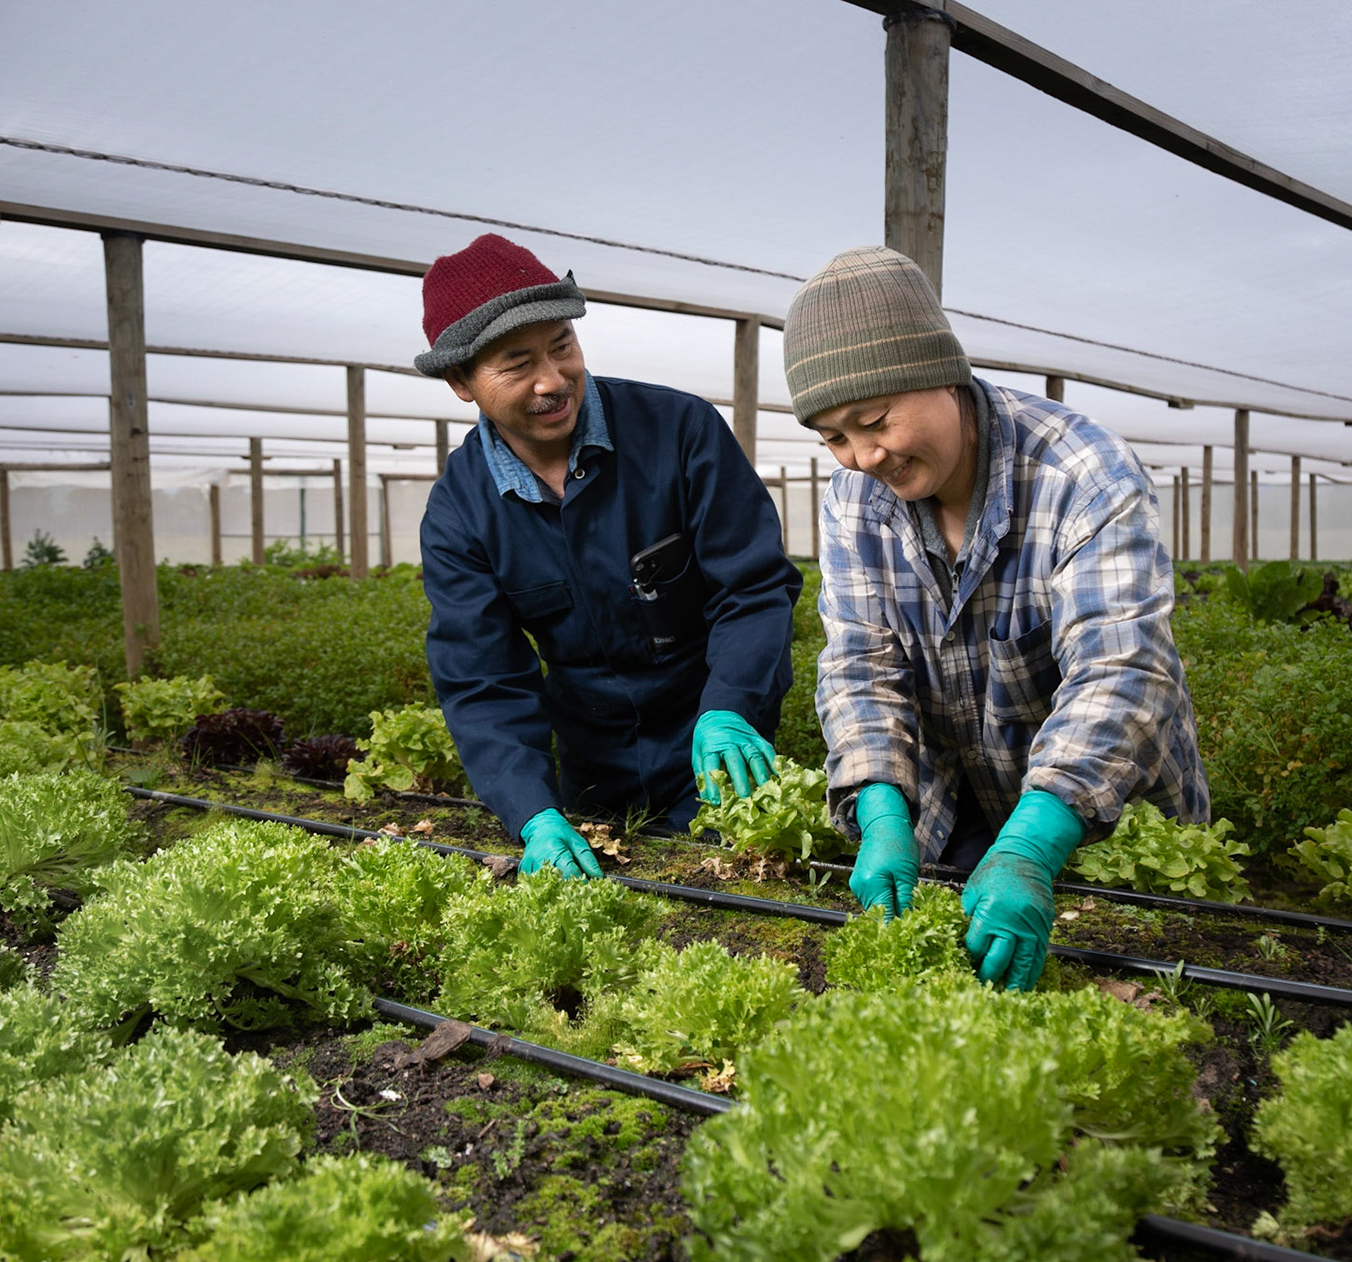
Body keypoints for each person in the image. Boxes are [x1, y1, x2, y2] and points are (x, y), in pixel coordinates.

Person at [784, 245, 1209, 991]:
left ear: (940, 373)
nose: (862, 455)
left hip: (1097, 823)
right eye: (833, 437)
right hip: (963, 811)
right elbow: (860, 661)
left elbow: (1122, 669)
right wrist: (880, 804)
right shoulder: (854, 497)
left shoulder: (1083, 473)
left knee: (1135, 1001)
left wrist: (1033, 846)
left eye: (874, 420)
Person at [417, 234, 802, 879]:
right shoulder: (460, 512)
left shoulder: (679, 431)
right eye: (517, 365)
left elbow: (753, 589)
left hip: (717, 743)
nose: (552, 379)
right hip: (590, 772)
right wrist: (531, 810)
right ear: (461, 381)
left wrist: (733, 706)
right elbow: (483, 681)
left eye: (562, 346)